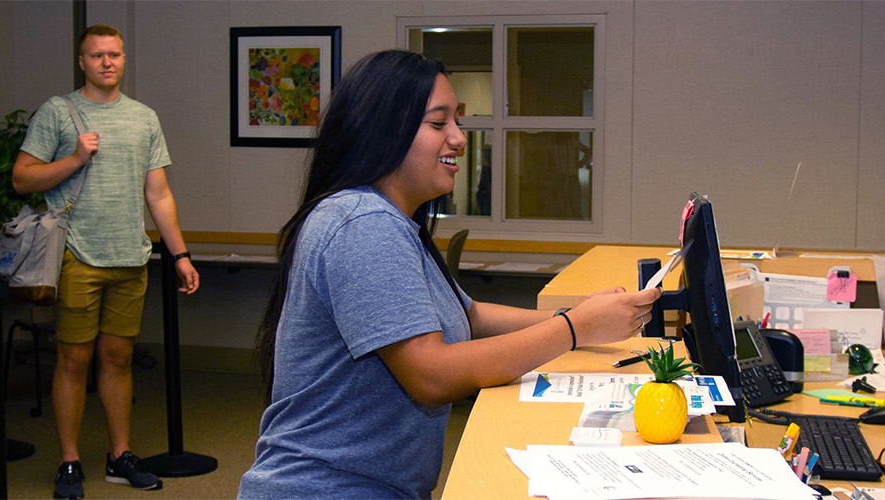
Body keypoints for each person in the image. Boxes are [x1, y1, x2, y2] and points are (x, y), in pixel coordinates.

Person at [238, 50, 660, 499]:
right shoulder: (363, 224)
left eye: (457, 122)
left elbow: (471, 315)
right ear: (382, 130)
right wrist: (575, 328)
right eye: (439, 124)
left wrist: (587, 315)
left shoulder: (391, 219)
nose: (459, 138)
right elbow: (431, 375)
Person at [13, 24, 199, 500]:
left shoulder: (143, 117)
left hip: (130, 257)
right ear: (82, 61)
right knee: (73, 359)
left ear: (123, 59)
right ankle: (70, 461)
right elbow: (22, 179)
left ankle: (120, 455)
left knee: (118, 359)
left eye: (114, 54)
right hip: (78, 254)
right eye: (96, 56)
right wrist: (74, 159)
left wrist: (178, 253)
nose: (107, 63)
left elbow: (157, 193)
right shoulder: (58, 111)